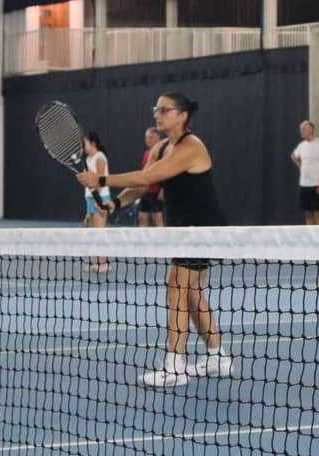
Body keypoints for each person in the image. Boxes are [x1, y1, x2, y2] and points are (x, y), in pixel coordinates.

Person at [78, 92, 232, 388]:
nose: (156, 114)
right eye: (155, 109)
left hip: (201, 228)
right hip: (183, 229)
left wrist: (101, 181)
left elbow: (146, 177)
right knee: (192, 293)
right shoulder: (161, 147)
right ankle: (217, 357)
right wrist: (114, 204)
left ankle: (175, 366)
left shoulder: (192, 147)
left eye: (164, 110)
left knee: (176, 283)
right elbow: (144, 184)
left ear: (182, 115)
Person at [291, 120, 319, 225]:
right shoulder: (301, 145)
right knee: (308, 213)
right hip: (304, 185)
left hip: (317, 185)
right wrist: (301, 165)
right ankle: (310, 238)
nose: (301, 131)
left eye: (303, 129)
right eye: (301, 129)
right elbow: (293, 156)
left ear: (311, 129)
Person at [83, 132, 112, 272]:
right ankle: (95, 262)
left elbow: (101, 179)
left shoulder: (100, 157)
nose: (84, 146)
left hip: (101, 198)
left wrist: (98, 200)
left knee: (100, 233)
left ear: (93, 143)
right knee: (93, 233)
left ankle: (105, 263)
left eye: (85, 143)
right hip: (90, 198)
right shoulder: (88, 159)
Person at [138, 127, 165, 227]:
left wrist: (163, 190)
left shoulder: (162, 153)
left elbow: (165, 173)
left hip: (156, 191)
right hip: (145, 191)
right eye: (146, 137)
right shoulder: (146, 153)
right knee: (142, 216)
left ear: (158, 139)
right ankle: (142, 242)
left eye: (151, 137)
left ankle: (163, 241)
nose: (148, 140)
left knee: (156, 217)